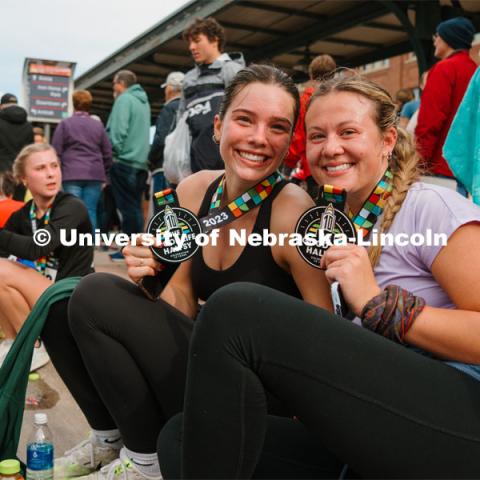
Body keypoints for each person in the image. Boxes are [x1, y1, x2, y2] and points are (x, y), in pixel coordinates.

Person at [158, 75, 480, 479]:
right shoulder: (327, 221)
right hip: (367, 423)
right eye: (317, 136)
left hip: (458, 421)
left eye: (348, 132)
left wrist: (381, 306)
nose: (331, 148)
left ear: (387, 141)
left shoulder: (429, 207)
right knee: (183, 438)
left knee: (238, 309)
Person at [48, 65, 332, 480]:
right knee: (64, 302)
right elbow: (179, 299)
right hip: (204, 367)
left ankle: (147, 464)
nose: (258, 138)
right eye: (245, 119)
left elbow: (324, 335)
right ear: (218, 127)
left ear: (289, 141)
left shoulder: (292, 212)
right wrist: (149, 278)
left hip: (254, 398)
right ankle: (111, 442)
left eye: (277, 127)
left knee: (94, 294)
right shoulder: (195, 189)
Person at [0, 143, 93, 370]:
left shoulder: (72, 206)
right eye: (40, 168)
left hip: (71, 299)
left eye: (54, 165)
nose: (51, 173)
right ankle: (15, 341)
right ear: (24, 179)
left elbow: (36, 247)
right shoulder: (24, 213)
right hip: (44, 293)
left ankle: (35, 346)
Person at [415, 16, 477, 195]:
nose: (435, 40)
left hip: (441, 168)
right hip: (467, 170)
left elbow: (430, 122)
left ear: (449, 38)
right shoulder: (475, 71)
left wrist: (419, 163)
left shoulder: (444, 69)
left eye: (438, 35)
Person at [177, 17, 245, 174]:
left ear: (214, 40)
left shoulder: (232, 70)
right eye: (190, 43)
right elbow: (181, 119)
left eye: (197, 41)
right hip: (194, 164)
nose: (192, 47)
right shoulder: (188, 79)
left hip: (225, 163)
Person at [52, 90, 112, 231]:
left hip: (71, 173)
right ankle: (88, 247)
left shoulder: (65, 124)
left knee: (72, 211)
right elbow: (108, 152)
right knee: (90, 210)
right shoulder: (98, 125)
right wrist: (104, 173)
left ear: (73, 104)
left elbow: (56, 151)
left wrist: (57, 172)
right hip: (94, 174)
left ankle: (73, 246)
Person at [107, 70, 150, 256]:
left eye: (113, 85)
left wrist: (113, 152)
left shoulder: (124, 99)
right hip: (140, 163)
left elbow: (117, 132)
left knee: (127, 209)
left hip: (124, 161)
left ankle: (129, 250)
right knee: (135, 208)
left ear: (120, 84)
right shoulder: (143, 101)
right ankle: (136, 247)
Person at [284, 54, 336, 195]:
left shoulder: (305, 102)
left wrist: (288, 165)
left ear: (311, 75)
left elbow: (298, 137)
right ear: (334, 74)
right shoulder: (340, 99)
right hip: (338, 166)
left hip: (313, 168)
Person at [149, 71, 184, 210]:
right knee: (177, 208)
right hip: (181, 168)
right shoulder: (188, 106)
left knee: (164, 209)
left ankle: (165, 232)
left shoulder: (169, 108)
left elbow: (161, 138)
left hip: (163, 168)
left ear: (169, 89)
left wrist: (150, 158)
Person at [0, 93, 34, 202]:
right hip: (20, 172)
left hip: (2, 171)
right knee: (18, 206)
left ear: (2, 106)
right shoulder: (28, 126)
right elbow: (30, 151)